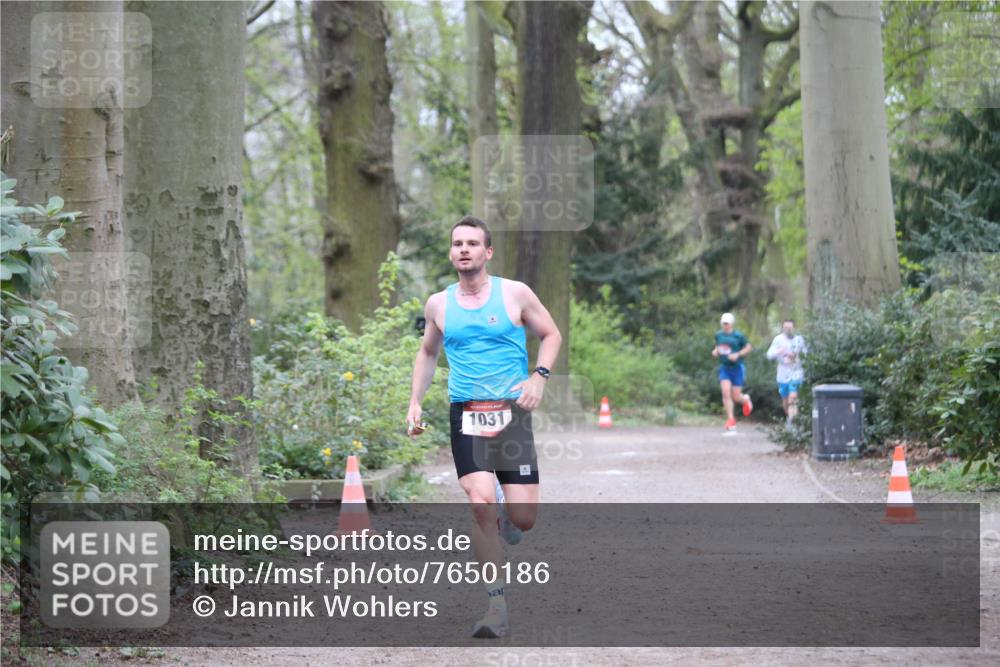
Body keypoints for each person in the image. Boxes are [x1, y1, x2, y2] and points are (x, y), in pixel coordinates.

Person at [406, 216, 562, 639]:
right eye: (457, 243)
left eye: (472, 243)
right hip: (466, 412)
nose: (464, 249)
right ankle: (496, 606)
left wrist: (538, 378)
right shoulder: (438, 304)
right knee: (479, 503)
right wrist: (415, 401)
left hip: (512, 413)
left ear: (487, 252)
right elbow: (427, 353)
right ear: (451, 252)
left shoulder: (515, 294)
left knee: (523, 519)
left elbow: (551, 334)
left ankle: (511, 515)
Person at [712, 312, 753, 431]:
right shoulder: (718, 335)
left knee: (735, 396)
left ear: (732, 324)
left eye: (727, 323)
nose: (725, 325)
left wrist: (738, 354)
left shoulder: (738, 336)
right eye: (724, 323)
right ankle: (731, 419)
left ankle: (745, 400)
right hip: (724, 368)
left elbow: (748, 347)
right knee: (725, 392)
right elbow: (718, 347)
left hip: (737, 368)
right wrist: (715, 352)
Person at [766, 318, 807, 429]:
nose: (788, 330)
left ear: (794, 328)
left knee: (793, 397)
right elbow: (769, 355)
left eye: (790, 327)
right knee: (785, 401)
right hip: (782, 374)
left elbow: (806, 355)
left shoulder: (799, 340)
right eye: (785, 328)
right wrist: (779, 351)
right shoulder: (778, 340)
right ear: (783, 328)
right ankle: (790, 419)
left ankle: (794, 425)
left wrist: (797, 357)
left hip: (796, 372)